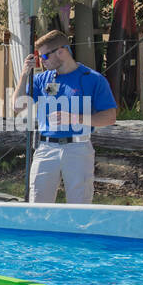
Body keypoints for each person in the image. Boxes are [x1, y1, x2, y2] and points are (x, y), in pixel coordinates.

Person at [13, 29, 118, 203]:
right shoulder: (42, 79)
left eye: (44, 56)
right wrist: (24, 74)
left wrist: (76, 118)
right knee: (38, 204)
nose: (41, 61)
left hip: (79, 148)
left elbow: (110, 117)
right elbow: (17, 106)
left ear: (61, 52)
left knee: (79, 205)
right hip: (46, 148)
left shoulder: (93, 79)